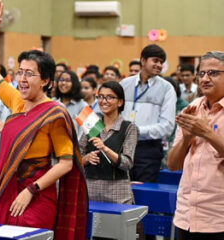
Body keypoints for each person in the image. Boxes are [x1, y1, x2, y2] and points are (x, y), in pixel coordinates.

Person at [0, 2, 88, 239]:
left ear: (46, 81)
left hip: (37, 196)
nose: (21, 78)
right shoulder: (17, 102)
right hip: (6, 189)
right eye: (20, 72)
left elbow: (66, 163)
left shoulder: (55, 113)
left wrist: (31, 190)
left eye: (29, 74)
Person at [168, 51, 224, 240]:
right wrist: (186, 138)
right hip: (186, 216)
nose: (205, 78)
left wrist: (206, 132)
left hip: (217, 218)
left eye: (213, 73)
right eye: (201, 73)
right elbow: (173, 165)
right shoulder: (192, 108)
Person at [120, 44, 176, 183]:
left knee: (143, 194)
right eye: (155, 60)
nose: (159, 65)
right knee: (120, 190)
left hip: (148, 151)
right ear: (143, 60)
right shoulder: (125, 84)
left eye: (161, 62)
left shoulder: (166, 88)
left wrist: (136, 131)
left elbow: (167, 126)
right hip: (121, 147)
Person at [80, 81, 138, 204]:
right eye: (100, 96)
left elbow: (127, 163)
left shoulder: (128, 127)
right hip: (91, 190)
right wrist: (86, 158)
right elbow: (76, 158)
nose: (104, 101)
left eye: (110, 97)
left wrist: (105, 149)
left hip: (118, 193)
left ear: (120, 102)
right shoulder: (92, 123)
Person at [55, 70, 88, 139]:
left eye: (67, 81)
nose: (63, 83)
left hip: (75, 147)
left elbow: (90, 131)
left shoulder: (83, 105)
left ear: (74, 84)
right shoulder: (53, 102)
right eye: (61, 80)